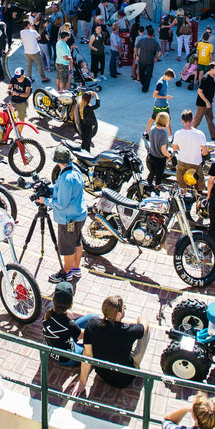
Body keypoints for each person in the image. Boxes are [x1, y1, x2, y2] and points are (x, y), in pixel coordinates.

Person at [78, 295, 149, 391]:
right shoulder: (129, 331)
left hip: (102, 373)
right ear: (118, 314)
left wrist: (82, 383)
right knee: (145, 332)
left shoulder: (92, 325)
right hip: (124, 380)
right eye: (124, 308)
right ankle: (136, 367)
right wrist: (141, 318)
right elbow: (144, 324)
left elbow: (87, 354)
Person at [44, 145, 87, 283]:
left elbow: (61, 204)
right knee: (77, 241)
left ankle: (66, 272)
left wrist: (45, 200)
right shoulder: (75, 169)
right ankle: (75, 268)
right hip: (79, 215)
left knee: (68, 247)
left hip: (68, 219)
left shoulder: (65, 178)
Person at [42, 281, 93, 367]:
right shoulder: (69, 325)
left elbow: (69, 315)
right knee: (92, 347)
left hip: (52, 350)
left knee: (92, 317)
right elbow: (83, 335)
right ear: (70, 303)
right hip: (66, 359)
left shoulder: (49, 309)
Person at [172, 109, 208, 193]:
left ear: (182, 120)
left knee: (182, 185)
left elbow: (174, 148)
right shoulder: (200, 134)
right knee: (199, 186)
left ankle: (183, 198)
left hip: (182, 162)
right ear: (192, 119)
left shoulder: (178, 133)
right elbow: (205, 151)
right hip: (195, 163)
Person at [193, 62, 215, 140]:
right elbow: (199, 91)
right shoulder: (206, 78)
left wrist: (210, 99)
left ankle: (214, 135)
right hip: (202, 104)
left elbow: (208, 90)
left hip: (208, 103)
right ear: (211, 70)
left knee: (210, 118)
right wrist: (207, 102)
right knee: (197, 121)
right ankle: (189, 133)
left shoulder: (212, 77)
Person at [145, 68, 175, 134]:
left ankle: (146, 132)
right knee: (164, 119)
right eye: (170, 78)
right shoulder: (160, 83)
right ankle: (170, 137)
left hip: (162, 104)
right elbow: (154, 95)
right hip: (160, 104)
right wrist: (165, 97)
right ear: (167, 76)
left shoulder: (165, 80)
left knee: (155, 118)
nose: (171, 79)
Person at [146, 111, 170, 184]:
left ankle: (148, 186)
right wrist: (169, 155)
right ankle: (157, 188)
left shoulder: (152, 129)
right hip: (160, 159)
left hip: (151, 155)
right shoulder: (163, 134)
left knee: (151, 173)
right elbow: (163, 150)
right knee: (158, 176)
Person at [136, 25, 161, 93]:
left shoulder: (142, 40)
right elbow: (160, 51)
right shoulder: (155, 42)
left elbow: (135, 47)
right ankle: (145, 87)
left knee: (141, 74)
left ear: (147, 33)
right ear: (153, 34)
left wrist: (137, 55)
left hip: (142, 60)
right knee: (148, 75)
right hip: (150, 61)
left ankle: (144, 86)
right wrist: (156, 58)